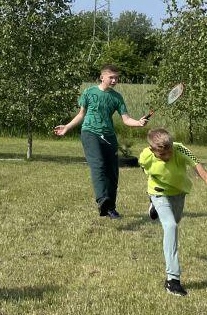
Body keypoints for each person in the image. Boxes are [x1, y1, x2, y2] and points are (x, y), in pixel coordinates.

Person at [138, 128, 207, 296]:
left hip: (178, 193)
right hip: (158, 192)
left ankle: (155, 208)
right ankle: (172, 281)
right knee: (171, 226)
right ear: (152, 150)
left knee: (174, 221)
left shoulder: (181, 150)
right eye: (162, 155)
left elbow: (205, 176)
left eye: (169, 152)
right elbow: (144, 167)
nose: (167, 156)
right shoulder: (145, 156)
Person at [54, 65, 150, 218]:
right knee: (98, 164)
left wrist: (138, 123)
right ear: (102, 77)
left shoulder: (117, 97)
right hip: (90, 132)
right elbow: (81, 114)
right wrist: (67, 127)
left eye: (116, 78)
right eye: (111, 77)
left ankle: (110, 208)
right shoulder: (89, 92)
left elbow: (126, 119)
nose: (114, 80)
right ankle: (102, 199)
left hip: (109, 136)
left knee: (112, 172)